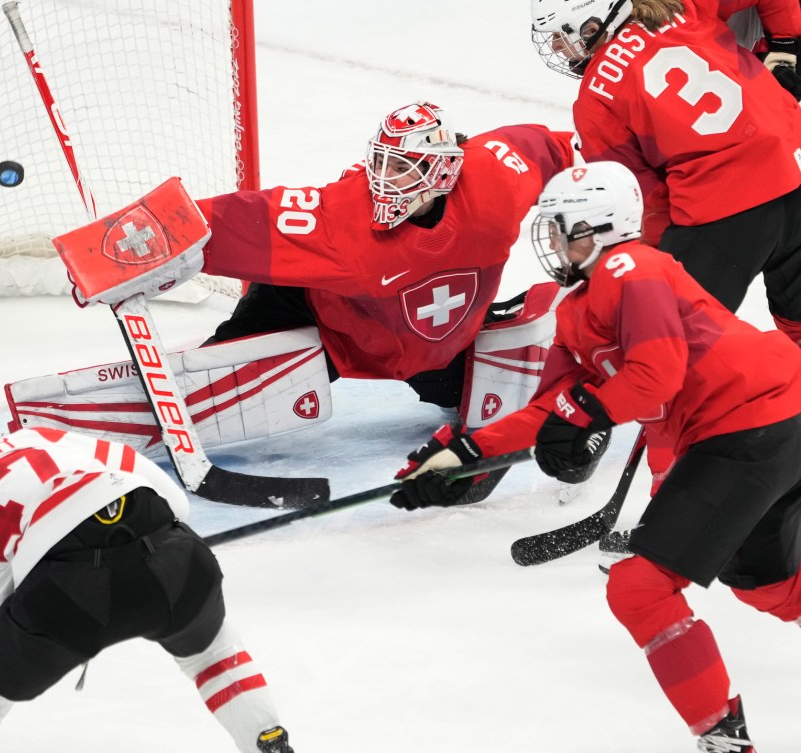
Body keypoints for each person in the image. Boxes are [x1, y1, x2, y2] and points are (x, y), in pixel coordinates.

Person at [392, 160, 801, 752]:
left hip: (750, 422)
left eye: (558, 228)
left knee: (640, 587)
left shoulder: (633, 268)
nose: (552, 242)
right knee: (766, 585)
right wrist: (461, 453)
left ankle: (724, 744)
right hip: (761, 422)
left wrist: (588, 411)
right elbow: (549, 410)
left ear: (595, 227)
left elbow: (655, 375)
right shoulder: (576, 310)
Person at [0, 417, 295, 753]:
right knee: (214, 652)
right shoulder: (36, 437)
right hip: (172, 549)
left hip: (71, 598)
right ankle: (267, 739)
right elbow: (170, 496)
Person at [529, 0, 801, 492]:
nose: (556, 47)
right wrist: (788, 44)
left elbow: (638, 198)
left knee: (672, 354)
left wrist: (654, 267)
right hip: (789, 181)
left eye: (562, 34)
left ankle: (672, 486)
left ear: (596, 23)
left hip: (720, 218)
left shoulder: (594, 98)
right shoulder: (681, 5)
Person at [198, 100, 575, 415]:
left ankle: (523, 318)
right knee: (242, 383)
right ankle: (200, 379)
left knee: (465, 397)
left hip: (434, 347)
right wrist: (169, 231)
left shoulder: (493, 181)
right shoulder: (345, 213)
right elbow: (249, 222)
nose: (380, 179)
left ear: (439, 171)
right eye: (378, 162)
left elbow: (555, 148)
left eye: (399, 168)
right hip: (335, 327)